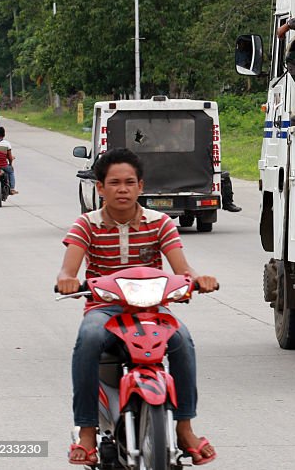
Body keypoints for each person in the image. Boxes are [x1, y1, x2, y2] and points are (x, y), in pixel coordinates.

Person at [56, 148, 218, 466]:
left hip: (153, 311)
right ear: (100, 188)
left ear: (141, 187)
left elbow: (183, 270)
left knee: (183, 341)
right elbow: (67, 271)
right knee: (87, 340)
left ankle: (185, 427)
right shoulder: (85, 225)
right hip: (104, 310)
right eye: (114, 182)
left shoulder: (160, 224)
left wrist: (200, 280)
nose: (123, 189)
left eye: (130, 182)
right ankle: (87, 431)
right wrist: (67, 281)